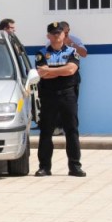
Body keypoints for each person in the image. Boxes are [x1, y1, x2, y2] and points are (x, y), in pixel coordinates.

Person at [34, 22, 85, 177]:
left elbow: (71, 70)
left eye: (59, 33)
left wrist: (50, 70)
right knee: (46, 131)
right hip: (48, 96)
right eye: (53, 33)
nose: (57, 36)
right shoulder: (41, 53)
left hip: (68, 95)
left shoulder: (72, 52)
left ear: (64, 35)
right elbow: (41, 74)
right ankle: (44, 167)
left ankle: (75, 167)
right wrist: (59, 71)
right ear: (48, 36)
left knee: (71, 131)